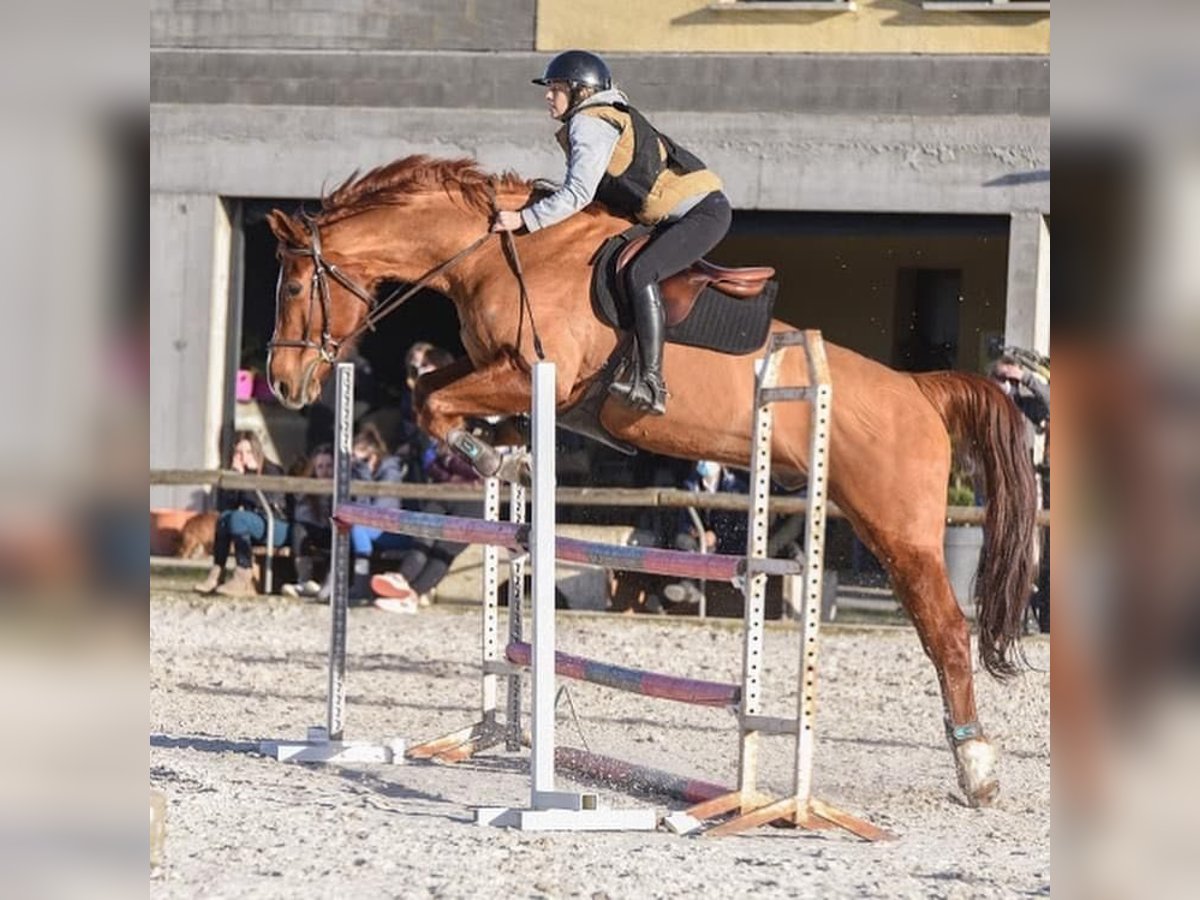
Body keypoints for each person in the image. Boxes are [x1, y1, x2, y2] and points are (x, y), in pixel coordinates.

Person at [491, 49, 731, 416]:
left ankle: (651, 382)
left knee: (640, 272)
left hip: (701, 214)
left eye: (555, 88)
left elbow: (577, 193)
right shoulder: (599, 117)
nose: (547, 96)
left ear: (580, 92)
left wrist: (524, 219)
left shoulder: (589, 123)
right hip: (674, 217)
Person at [194, 431, 290, 596]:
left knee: (238, 519)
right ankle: (217, 573)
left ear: (257, 452)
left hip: (276, 524)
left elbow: (264, 504)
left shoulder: (272, 470)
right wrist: (234, 479)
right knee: (224, 519)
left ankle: (243, 574)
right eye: (239, 452)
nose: (243, 457)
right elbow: (225, 507)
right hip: (252, 524)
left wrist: (251, 476)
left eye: (247, 452)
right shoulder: (241, 473)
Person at [663, 460, 749, 608]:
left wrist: (717, 535)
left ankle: (690, 589)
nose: (704, 462)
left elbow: (740, 526)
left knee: (708, 551)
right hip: (698, 538)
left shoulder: (737, 487)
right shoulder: (691, 484)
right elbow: (683, 519)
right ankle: (688, 586)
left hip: (727, 542)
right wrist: (692, 530)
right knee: (683, 540)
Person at [279, 444, 334, 599]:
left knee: (341, 531)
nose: (325, 471)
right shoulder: (309, 491)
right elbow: (302, 516)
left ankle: (329, 583)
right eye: (320, 466)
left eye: (329, 466)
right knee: (299, 529)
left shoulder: (343, 488)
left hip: (336, 530)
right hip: (318, 530)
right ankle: (304, 581)